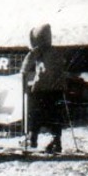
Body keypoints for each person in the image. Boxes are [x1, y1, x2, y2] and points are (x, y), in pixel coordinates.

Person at [20, 23, 66, 154]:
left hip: (41, 88)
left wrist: (22, 73)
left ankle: (32, 137)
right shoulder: (55, 51)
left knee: (35, 112)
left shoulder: (38, 51)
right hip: (57, 88)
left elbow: (27, 64)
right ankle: (56, 140)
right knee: (55, 115)